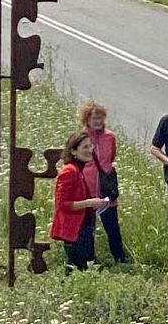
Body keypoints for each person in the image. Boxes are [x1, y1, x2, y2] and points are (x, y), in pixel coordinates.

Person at [50, 132, 110, 273]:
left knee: (83, 268)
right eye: (85, 147)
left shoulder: (78, 170)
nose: (90, 150)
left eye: (91, 146)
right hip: (74, 231)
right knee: (78, 270)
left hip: (82, 228)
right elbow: (62, 204)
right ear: (73, 151)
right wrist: (90, 202)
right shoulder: (69, 171)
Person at [79, 100, 126, 264]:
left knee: (112, 227)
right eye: (94, 118)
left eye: (100, 118)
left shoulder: (110, 137)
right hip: (87, 188)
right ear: (87, 120)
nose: (98, 122)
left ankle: (120, 259)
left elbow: (111, 157)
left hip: (106, 189)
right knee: (88, 228)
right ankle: (90, 261)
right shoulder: (81, 137)